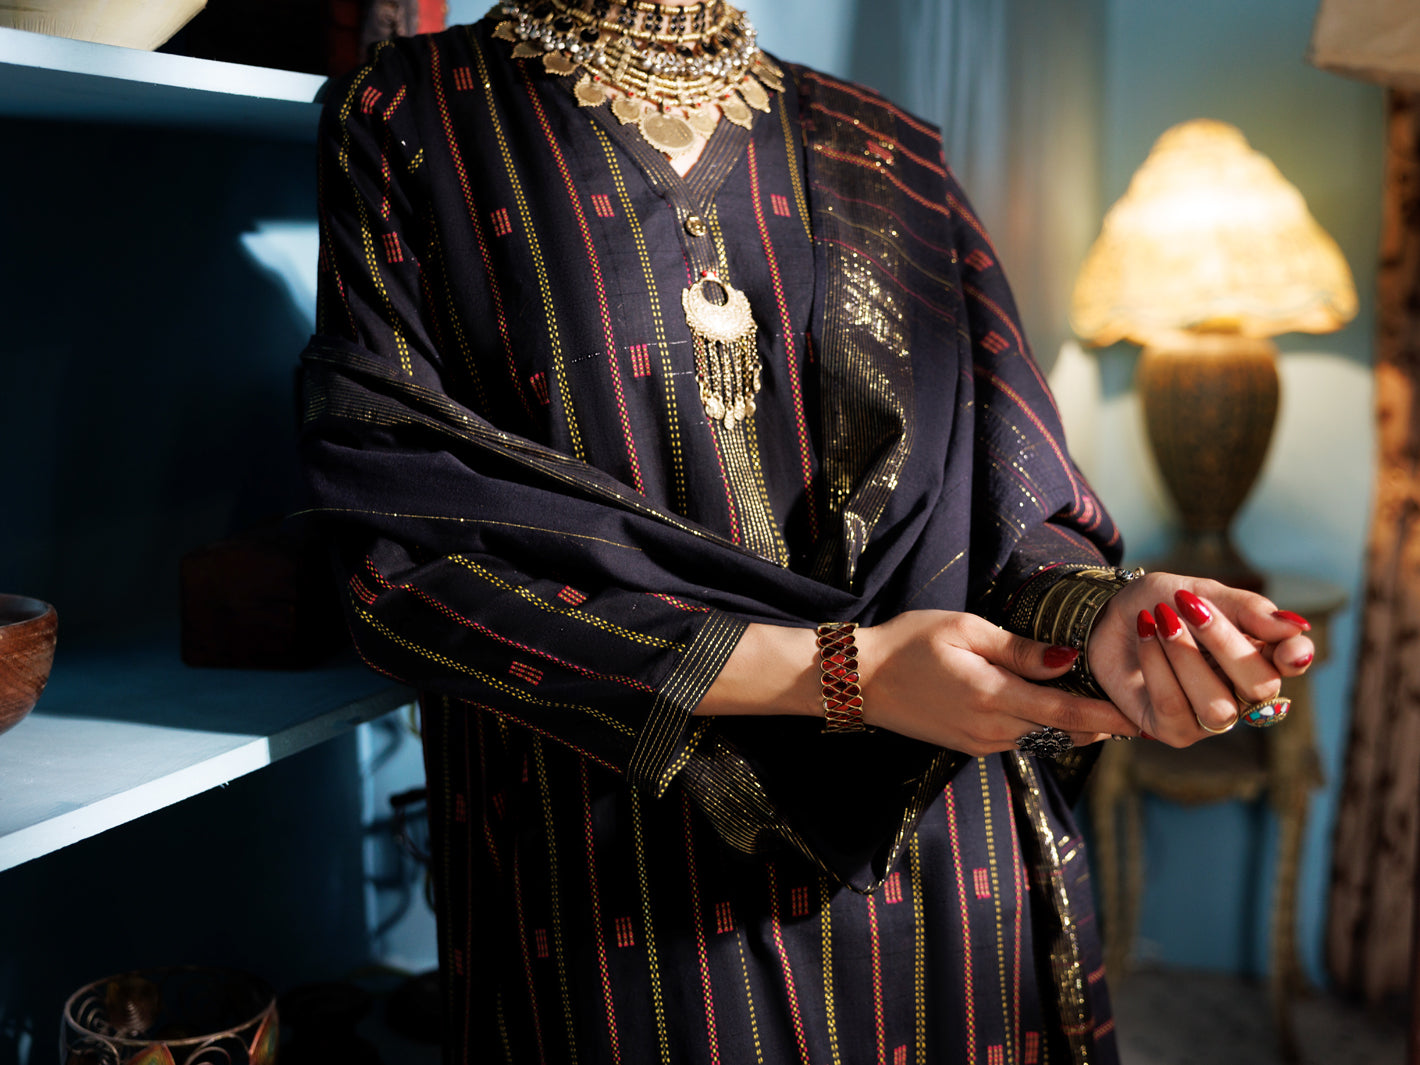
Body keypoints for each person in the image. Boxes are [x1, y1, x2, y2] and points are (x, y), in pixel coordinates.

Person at [297, 2, 1316, 1061]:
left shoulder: (884, 146)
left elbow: (1011, 512)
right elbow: (400, 561)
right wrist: (846, 673)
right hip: (628, 860)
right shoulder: (412, 114)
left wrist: (1107, 616)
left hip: (938, 827)